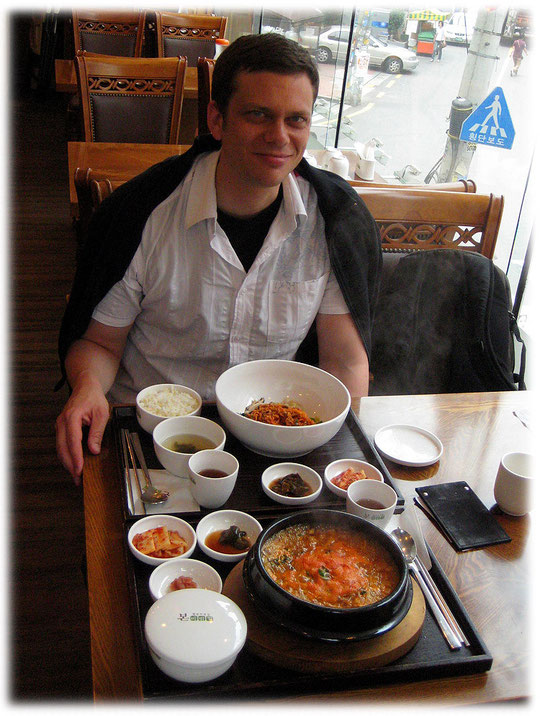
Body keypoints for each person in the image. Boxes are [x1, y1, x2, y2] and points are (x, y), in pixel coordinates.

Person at [55, 33, 381, 483]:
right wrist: (88, 389)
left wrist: (342, 462)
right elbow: (99, 343)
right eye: (258, 115)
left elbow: (344, 363)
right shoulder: (142, 214)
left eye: (296, 119)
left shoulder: (333, 221)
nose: (280, 137)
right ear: (216, 118)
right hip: (152, 439)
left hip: (273, 441)